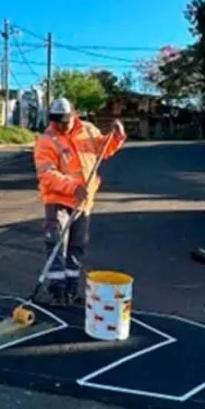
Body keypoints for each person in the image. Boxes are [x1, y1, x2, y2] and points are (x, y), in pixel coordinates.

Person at [33, 98, 126, 305]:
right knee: (57, 244)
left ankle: (71, 290)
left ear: (73, 116)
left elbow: (104, 149)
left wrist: (116, 137)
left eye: (63, 121)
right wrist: (73, 187)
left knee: (77, 246)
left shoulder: (88, 130)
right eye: (55, 121)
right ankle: (57, 291)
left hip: (84, 202)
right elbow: (47, 175)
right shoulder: (47, 141)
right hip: (58, 200)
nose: (59, 126)